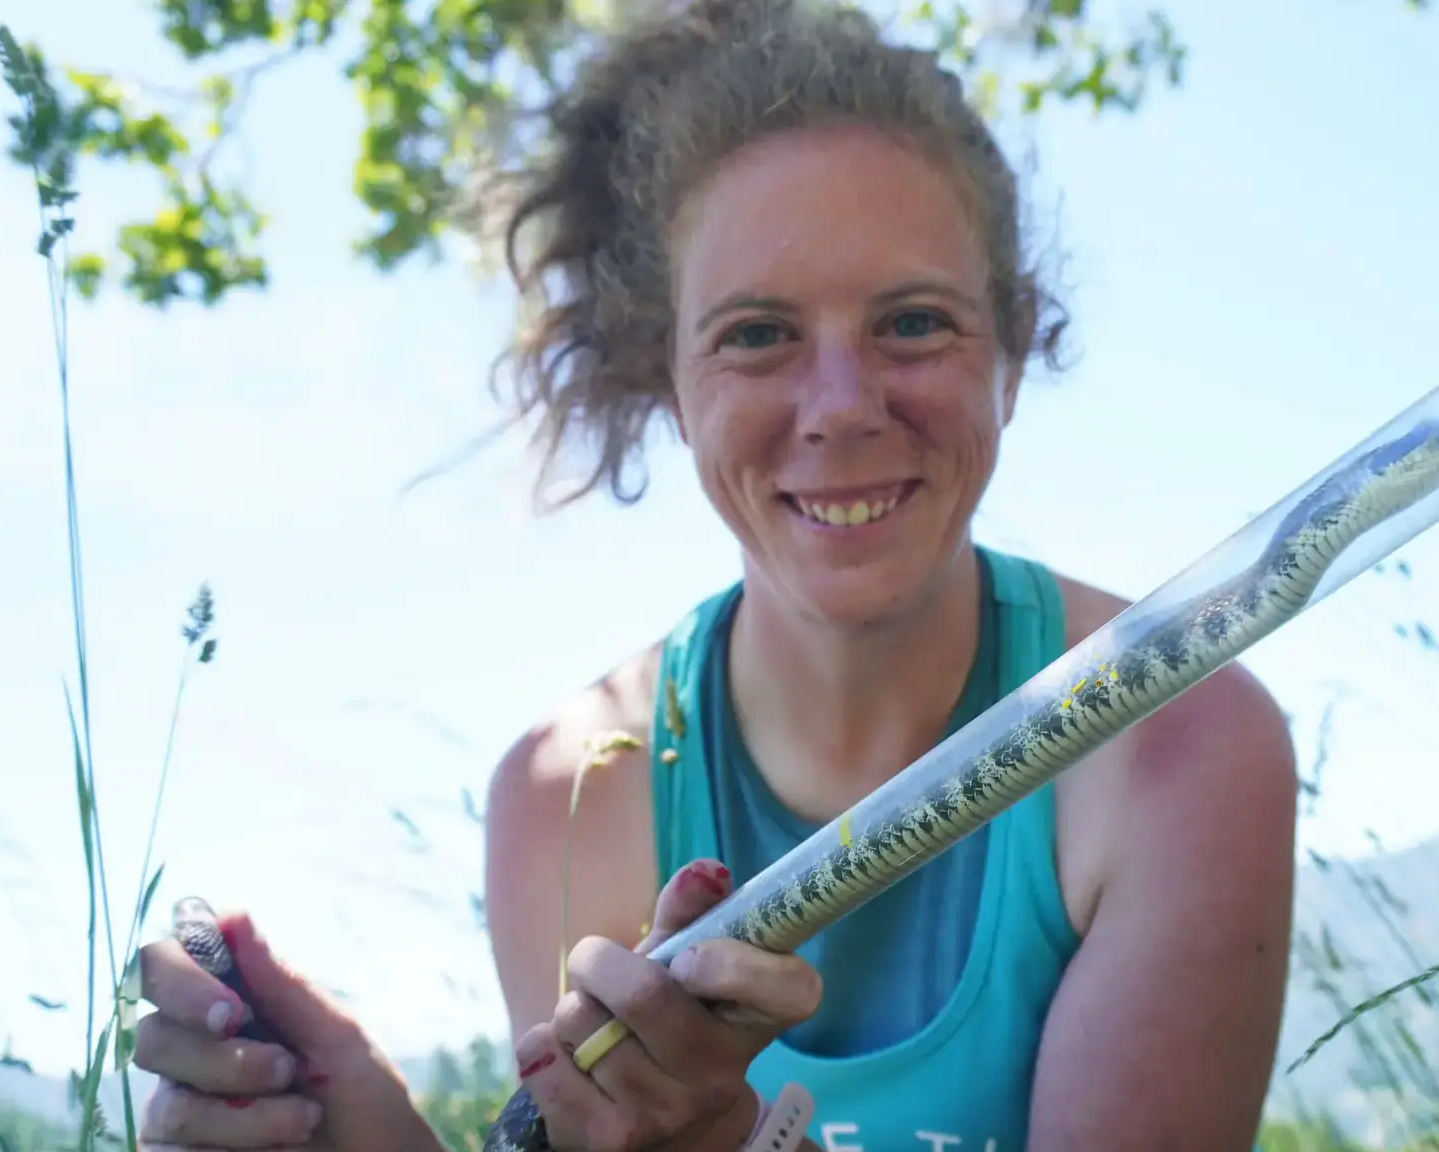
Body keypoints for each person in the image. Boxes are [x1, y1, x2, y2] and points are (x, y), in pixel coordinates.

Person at [126, 0, 1300, 1148]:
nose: (840, 408)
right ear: (667, 382)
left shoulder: (1172, 745)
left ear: (1009, 349)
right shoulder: (567, 797)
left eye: (911, 322)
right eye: (755, 335)